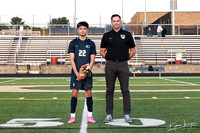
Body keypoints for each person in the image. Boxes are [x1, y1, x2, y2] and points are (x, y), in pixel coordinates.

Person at [100, 14, 136, 123]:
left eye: (118, 21)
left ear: (121, 22)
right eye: (114, 21)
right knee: (109, 90)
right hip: (110, 65)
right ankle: (109, 114)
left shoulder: (127, 35)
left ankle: (127, 114)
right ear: (111, 22)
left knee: (125, 90)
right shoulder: (107, 35)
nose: (116, 22)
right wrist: (110, 59)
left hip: (123, 65)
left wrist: (125, 58)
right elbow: (102, 51)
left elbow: (133, 50)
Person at [68, 21, 96, 123]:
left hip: (87, 72)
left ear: (87, 30)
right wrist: (77, 74)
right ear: (78, 30)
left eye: (84, 28)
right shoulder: (73, 43)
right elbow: (72, 59)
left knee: (88, 93)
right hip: (75, 72)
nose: (82, 30)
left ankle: (90, 116)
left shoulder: (91, 43)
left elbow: (92, 60)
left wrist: (85, 72)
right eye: (80, 28)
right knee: (75, 94)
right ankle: (72, 117)